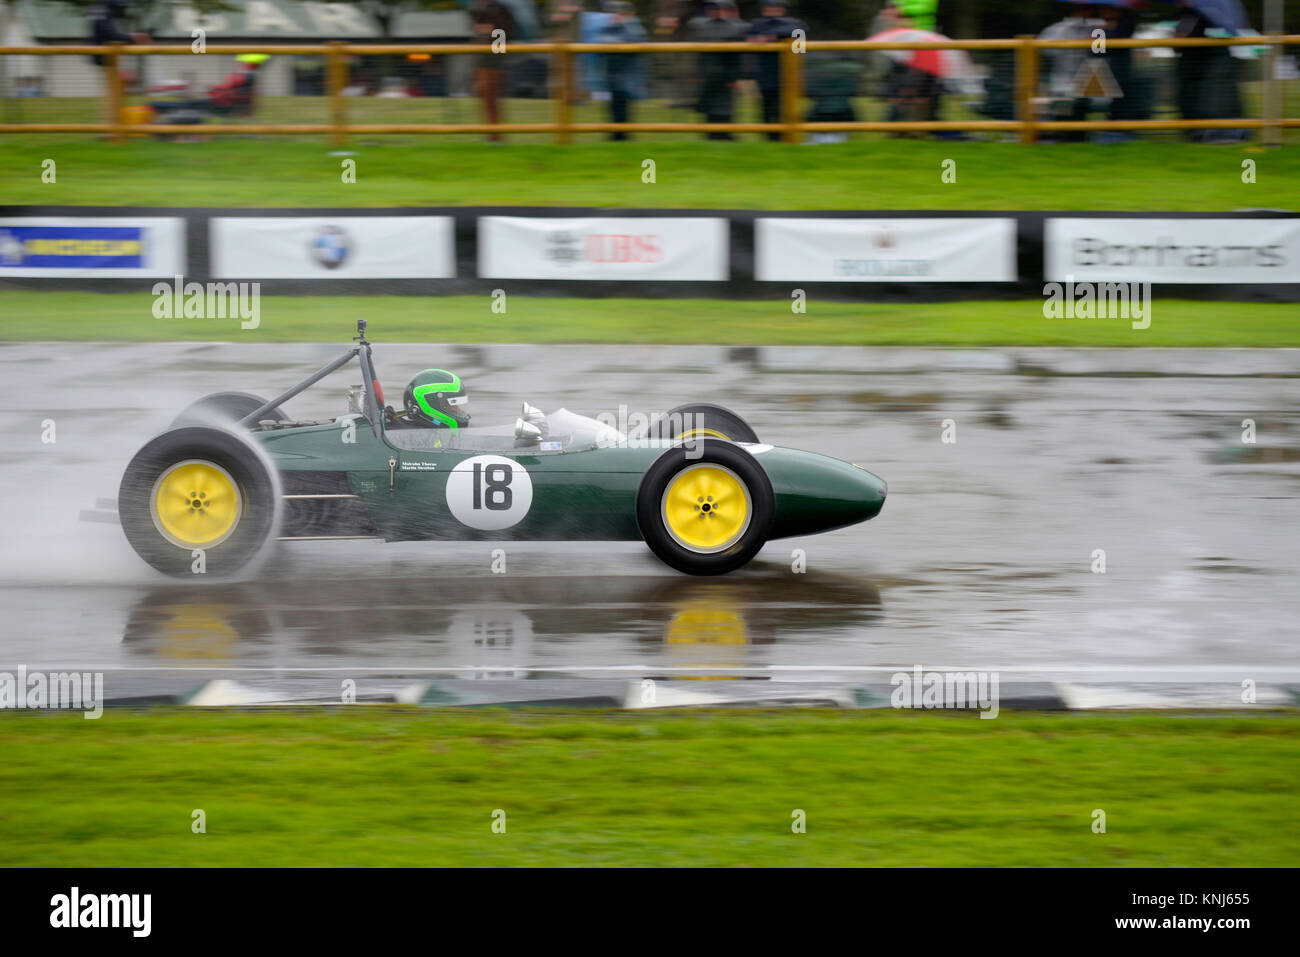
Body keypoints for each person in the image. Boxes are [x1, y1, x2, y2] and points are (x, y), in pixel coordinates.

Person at [746, 1, 805, 141]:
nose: (772, 10)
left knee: (784, 106)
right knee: (766, 106)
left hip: (787, 72)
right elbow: (747, 37)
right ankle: (769, 137)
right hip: (765, 72)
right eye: (769, 7)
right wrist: (755, 39)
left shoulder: (793, 23)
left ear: (782, 9)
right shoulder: (757, 24)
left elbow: (800, 32)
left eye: (776, 7)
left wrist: (770, 36)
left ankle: (784, 137)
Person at [689, 0, 748, 140]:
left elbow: (736, 57)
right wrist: (699, 74)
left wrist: (733, 78)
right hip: (708, 75)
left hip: (725, 75)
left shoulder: (736, 27)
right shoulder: (702, 26)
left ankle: (725, 135)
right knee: (709, 107)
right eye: (712, 9)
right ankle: (711, 136)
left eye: (718, 9)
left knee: (724, 107)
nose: (715, 12)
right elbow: (701, 55)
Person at [598, 2, 648, 141]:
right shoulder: (608, 28)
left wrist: (622, 28)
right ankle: (616, 136)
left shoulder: (635, 28)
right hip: (612, 77)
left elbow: (639, 41)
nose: (616, 16)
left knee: (624, 109)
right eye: (614, 13)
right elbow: (600, 42)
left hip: (629, 78)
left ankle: (623, 136)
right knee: (613, 108)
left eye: (620, 14)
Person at [470, 0, 518, 143]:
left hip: (494, 63)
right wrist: (485, 29)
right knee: (484, 99)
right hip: (482, 61)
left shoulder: (500, 9)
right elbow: (479, 29)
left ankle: (497, 137)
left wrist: (487, 31)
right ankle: (490, 134)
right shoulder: (481, 9)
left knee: (492, 100)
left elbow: (502, 34)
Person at [392, 370, 472, 430]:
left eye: (457, 405)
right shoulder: (414, 441)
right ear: (431, 406)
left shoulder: (437, 437)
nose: (459, 411)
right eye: (452, 405)